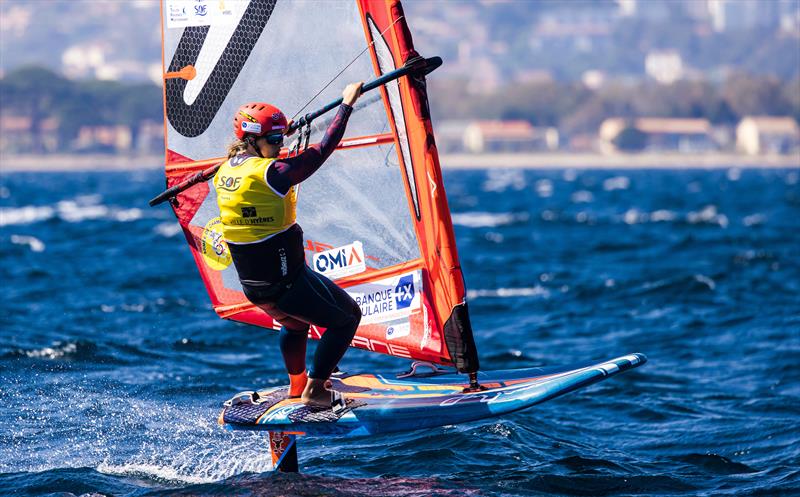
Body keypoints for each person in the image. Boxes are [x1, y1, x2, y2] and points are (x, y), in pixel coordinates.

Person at [214, 82, 364, 407]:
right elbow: (321, 151)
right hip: (286, 282)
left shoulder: (226, 169)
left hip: (256, 286)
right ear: (252, 139)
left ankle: (297, 384)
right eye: (274, 140)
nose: (280, 146)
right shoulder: (272, 173)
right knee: (348, 317)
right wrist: (347, 105)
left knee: (296, 324)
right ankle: (316, 389)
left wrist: (281, 135)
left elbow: (269, 162)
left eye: (281, 139)